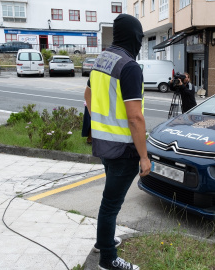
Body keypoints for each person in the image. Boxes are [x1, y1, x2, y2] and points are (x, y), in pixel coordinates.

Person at [84, 14, 150, 270]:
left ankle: (104, 242)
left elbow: (88, 94)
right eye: (140, 37)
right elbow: (135, 118)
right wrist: (144, 156)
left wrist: (100, 125)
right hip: (124, 149)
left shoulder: (102, 59)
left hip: (105, 145)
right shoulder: (130, 66)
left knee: (108, 201)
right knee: (110, 204)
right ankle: (107, 259)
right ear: (134, 37)